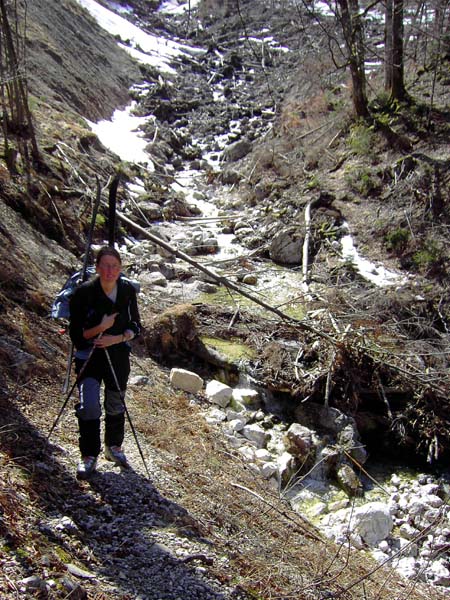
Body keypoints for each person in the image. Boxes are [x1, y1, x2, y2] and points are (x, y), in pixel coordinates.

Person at [69, 246, 141, 479]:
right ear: (97, 267)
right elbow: (76, 335)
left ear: (120, 269)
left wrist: (118, 338)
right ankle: (89, 455)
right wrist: (101, 328)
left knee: (115, 402)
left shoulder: (127, 290)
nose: (110, 270)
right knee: (89, 405)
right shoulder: (83, 293)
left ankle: (114, 447)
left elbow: (135, 326)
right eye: (106, 265)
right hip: (89, 357)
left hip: (118, 356)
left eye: (115, 266)